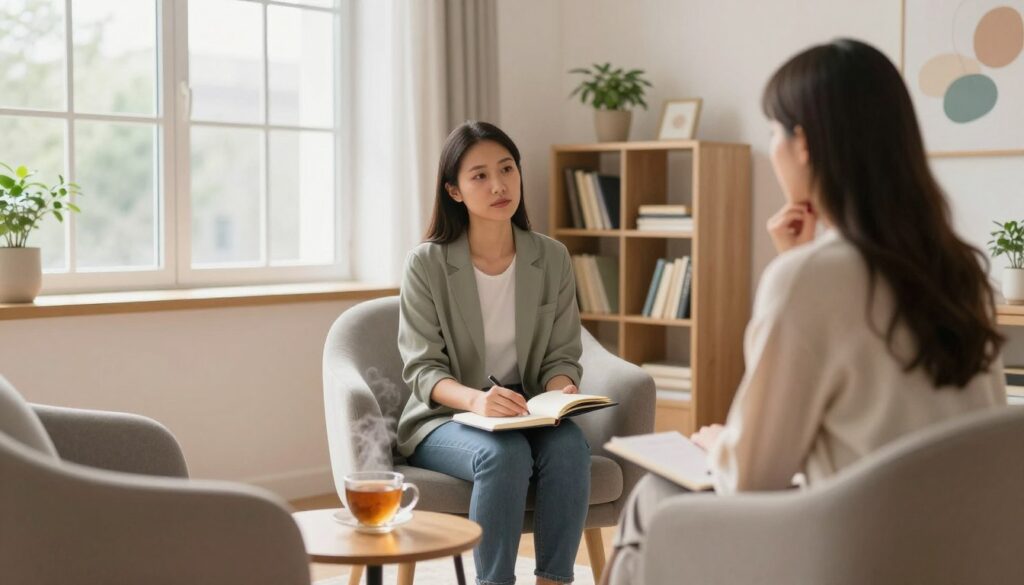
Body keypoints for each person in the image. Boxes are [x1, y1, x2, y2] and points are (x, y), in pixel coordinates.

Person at [603, 38, 1007, 585]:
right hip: (964, 554)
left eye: (773, 132)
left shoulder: (810, 281)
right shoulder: (961, 273)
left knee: (652, 498)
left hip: (853, 555)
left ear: (805, 144)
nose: (771, 149)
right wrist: (802, 263)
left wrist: (721, 444)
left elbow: (751, 479)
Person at [397, 121, 591, 585]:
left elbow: (562, 353)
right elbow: (422, 369)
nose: (499, 185)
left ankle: (554, 580)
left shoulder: (552, 258)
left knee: (570, 448)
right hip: (445, 417)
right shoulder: (427, 264)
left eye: (507, 169)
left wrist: (559, 389)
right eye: (479, 175)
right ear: (455, 191)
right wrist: (478, 400)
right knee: (502, 454)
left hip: (526, 412)